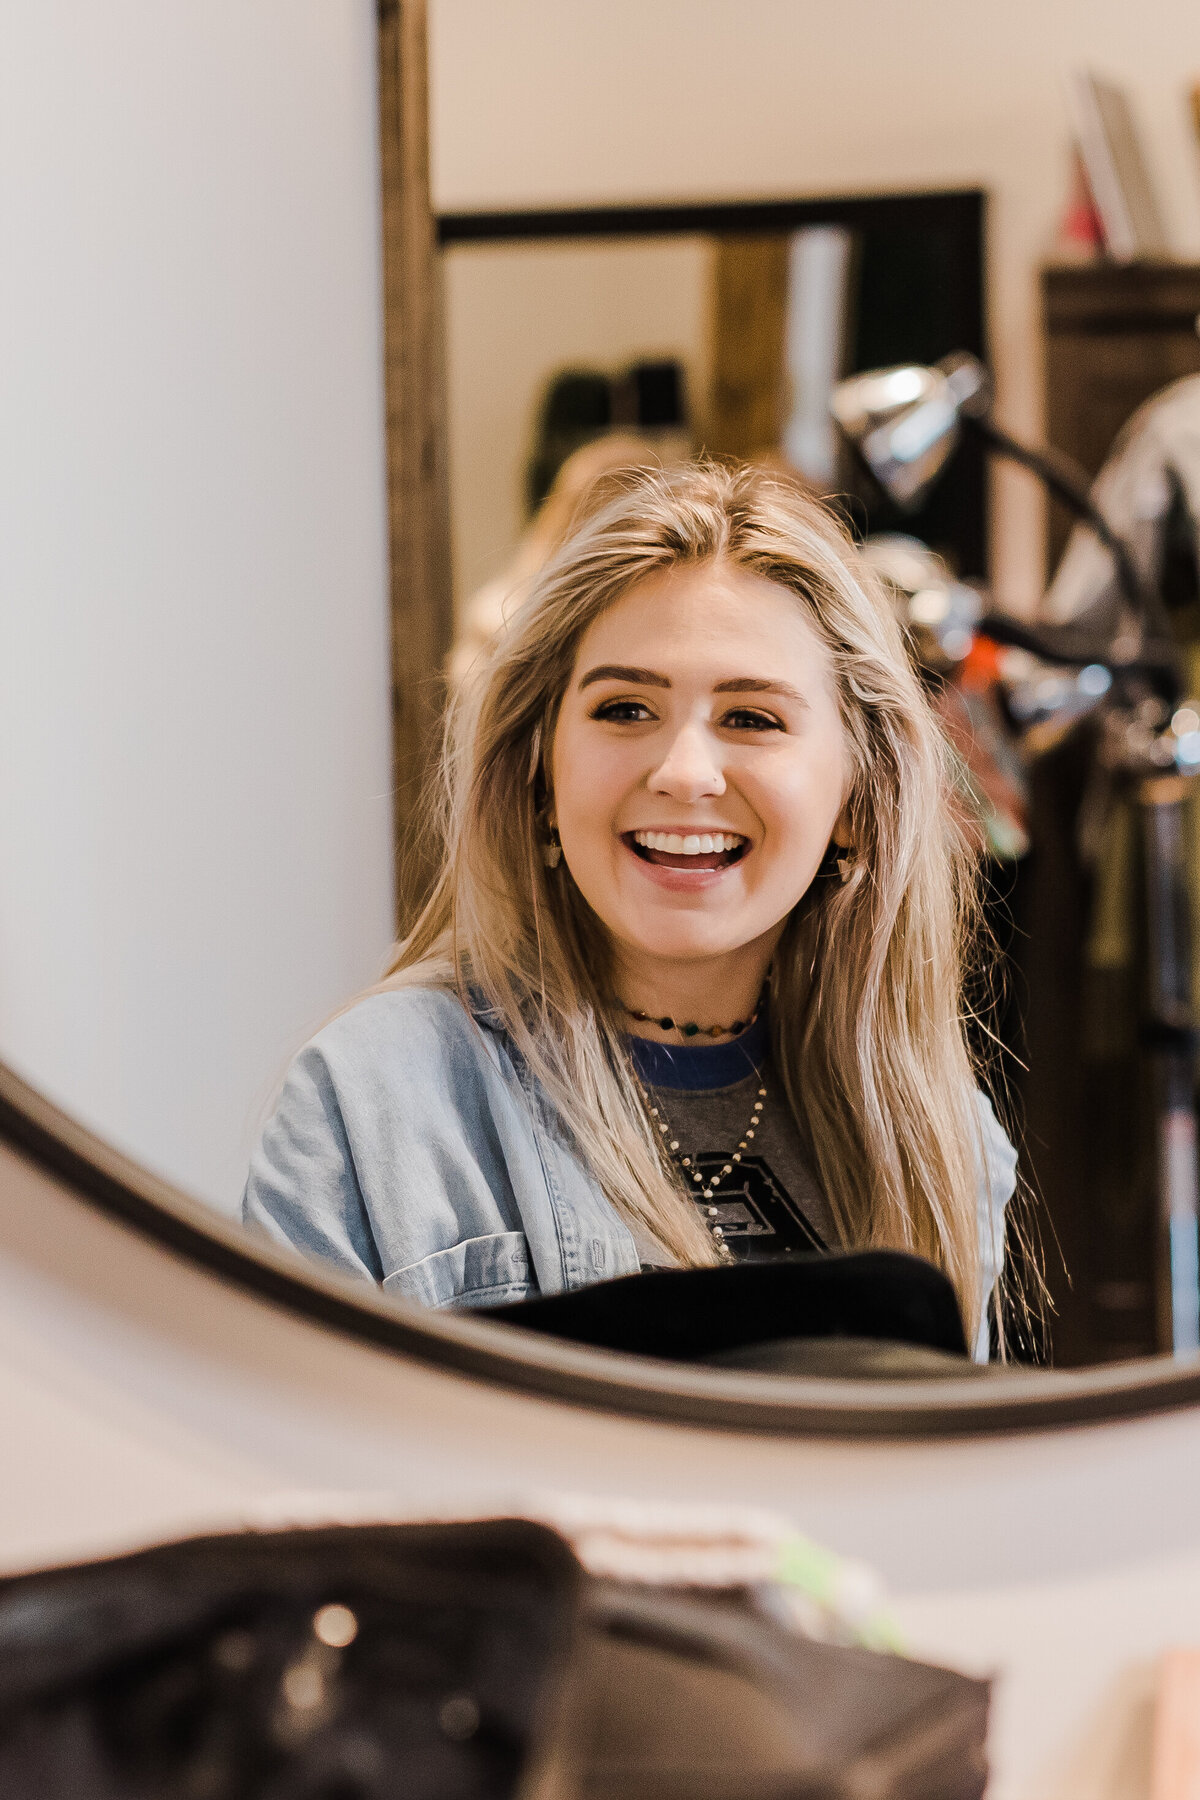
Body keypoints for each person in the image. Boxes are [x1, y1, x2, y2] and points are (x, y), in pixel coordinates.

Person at [244, 461, 1018, 1361]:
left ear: (856, 793)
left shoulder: (938, 1133)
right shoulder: (373, 1102)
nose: (684, 771)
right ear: (540, 768)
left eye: (752, 719)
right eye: (625, 708)